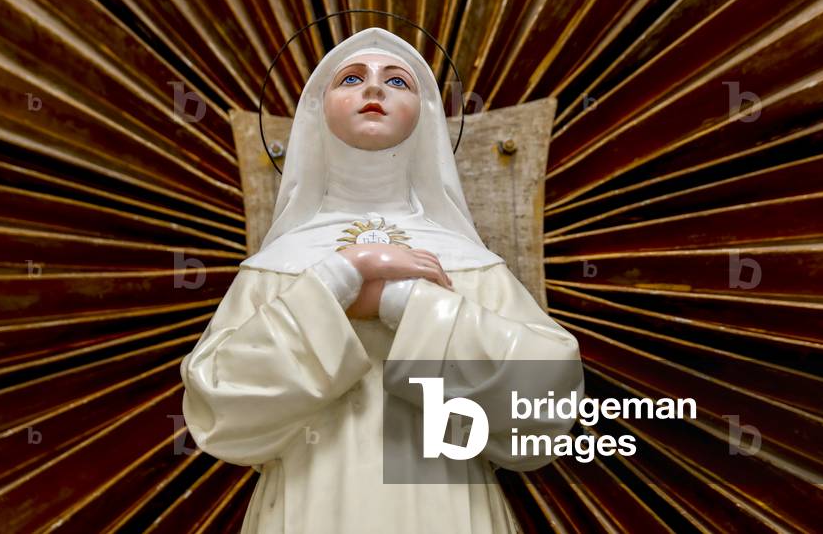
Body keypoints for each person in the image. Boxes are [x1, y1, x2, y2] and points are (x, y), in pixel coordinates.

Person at [180, 27, 584, 533]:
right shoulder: (278, 264)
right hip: (308, 503)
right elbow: (216, 403)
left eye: (397, 80)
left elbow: (547, 404)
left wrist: (401, 302)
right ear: (316, 113)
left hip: (449, 501)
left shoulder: (470, 262)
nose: (374, 89)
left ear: (428, 118)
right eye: (351, 78)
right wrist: (340, 277)